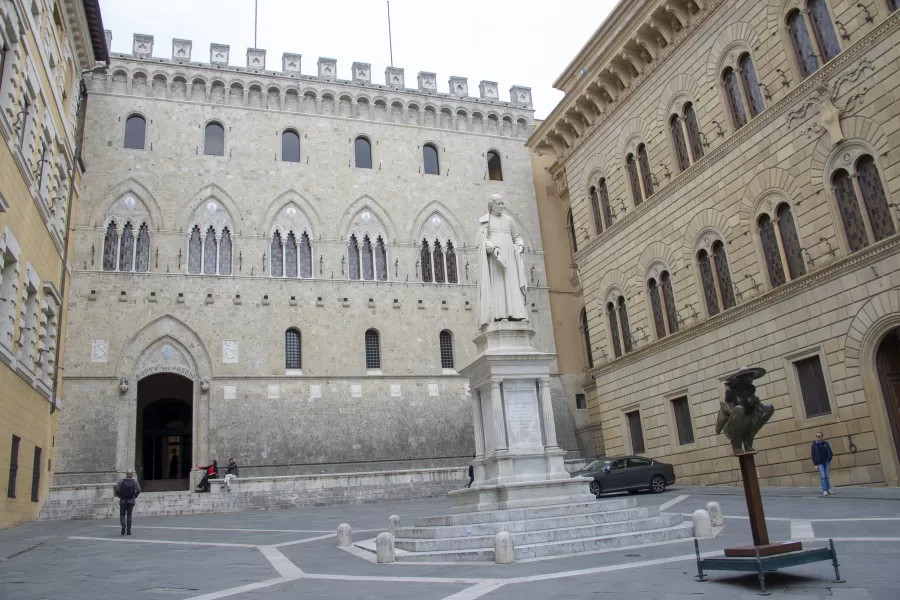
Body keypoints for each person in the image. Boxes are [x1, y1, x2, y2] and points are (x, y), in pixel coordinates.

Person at [476, 194, 528, 326]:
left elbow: (517, 236)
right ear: (491, 205)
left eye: (502, 203)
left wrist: (520, 246)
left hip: (511, 257)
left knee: (513, 284)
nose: (501, 206)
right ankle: (500, 315)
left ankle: (518, 314)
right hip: (496, 259)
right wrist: (492, 248)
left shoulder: (509, 220)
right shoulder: (485, 221)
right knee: (498, 286)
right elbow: (482, 240)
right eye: (498, 204)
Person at [114, 470, 141, 535]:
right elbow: (139, 490)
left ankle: (123, 526)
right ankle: (128, 530)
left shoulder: (121, 481)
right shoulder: (135, 481)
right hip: (131, 501)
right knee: (129, 515)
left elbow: (116, 490)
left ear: (126, 474)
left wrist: (120, 496)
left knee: (122, 514)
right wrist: (135, 496)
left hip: (123, 500)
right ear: (132, 474)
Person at [811, 432, 834, 496]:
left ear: (822, 437)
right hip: (819, 463)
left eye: (819, 436)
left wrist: (828, 459)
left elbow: (830, 452)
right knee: (823, 476)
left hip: (826, 462)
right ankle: (825, 490)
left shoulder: (825, 443)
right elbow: (813, 455)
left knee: (827, 476)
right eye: (817, 436)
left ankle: (828, 489)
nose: (818, 437)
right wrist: (815, 464)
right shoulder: (814, 444)